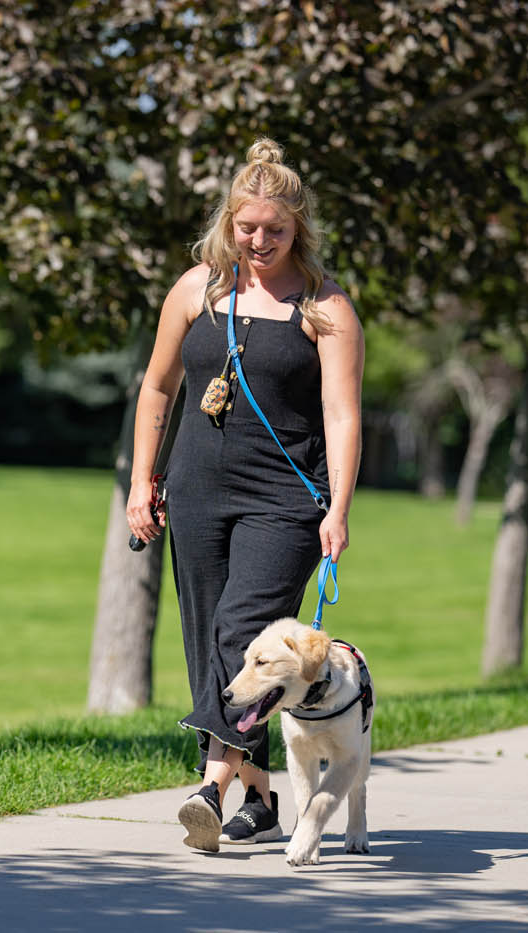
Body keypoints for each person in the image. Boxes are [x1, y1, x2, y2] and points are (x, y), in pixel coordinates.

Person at [126, 138, 364, 853]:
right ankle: (261, 797)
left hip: (286, 497)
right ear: (227, 220)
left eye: (276, 230)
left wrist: (339, 510)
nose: (259, 241)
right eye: (245, 226)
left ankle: (212, 784)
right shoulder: (196, 289)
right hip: (198, 488)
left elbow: (344, 415)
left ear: (301, 229)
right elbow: (158, 386)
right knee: (210, 642)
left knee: (243, 627)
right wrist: (144, 477)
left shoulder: (325, 308)